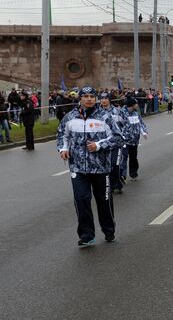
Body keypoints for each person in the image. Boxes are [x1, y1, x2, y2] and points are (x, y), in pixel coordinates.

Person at [56, 86, 123, 246]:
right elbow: (61, 135)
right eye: (85, 96)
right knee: (81, 200)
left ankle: (109, 230)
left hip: (101, 168)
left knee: (103, 201)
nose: (88, 99)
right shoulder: (70, 117)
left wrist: (99, 146)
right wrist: (63, 148)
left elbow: (118, 138)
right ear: (80, 98)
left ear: (96, 98)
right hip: (78, 168)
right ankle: (87, 235)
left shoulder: (105, 117)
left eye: (91, 96)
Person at [99, 92, 126, 194]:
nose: (104, 100)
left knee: (115, 164)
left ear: (109, 100)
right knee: (106, 166)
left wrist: (123, 137)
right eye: (102, 98)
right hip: (104, 144)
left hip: (117, 143)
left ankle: (117, 184)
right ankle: (110, 185)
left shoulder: (117, 111)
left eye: (106, 98)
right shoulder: (97, 113)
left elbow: (124, 124)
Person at [121, 97, 148, 180]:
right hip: (125, 141)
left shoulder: (136, 113)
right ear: (131, 105)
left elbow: (141, 123)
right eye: (136, 104)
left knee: (133, 157)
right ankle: (122, 175)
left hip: (135, 141)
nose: (137, 105)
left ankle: (133, 173)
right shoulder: (122, 113)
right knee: (123, 157)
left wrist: (144, 132)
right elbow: (117, 126)